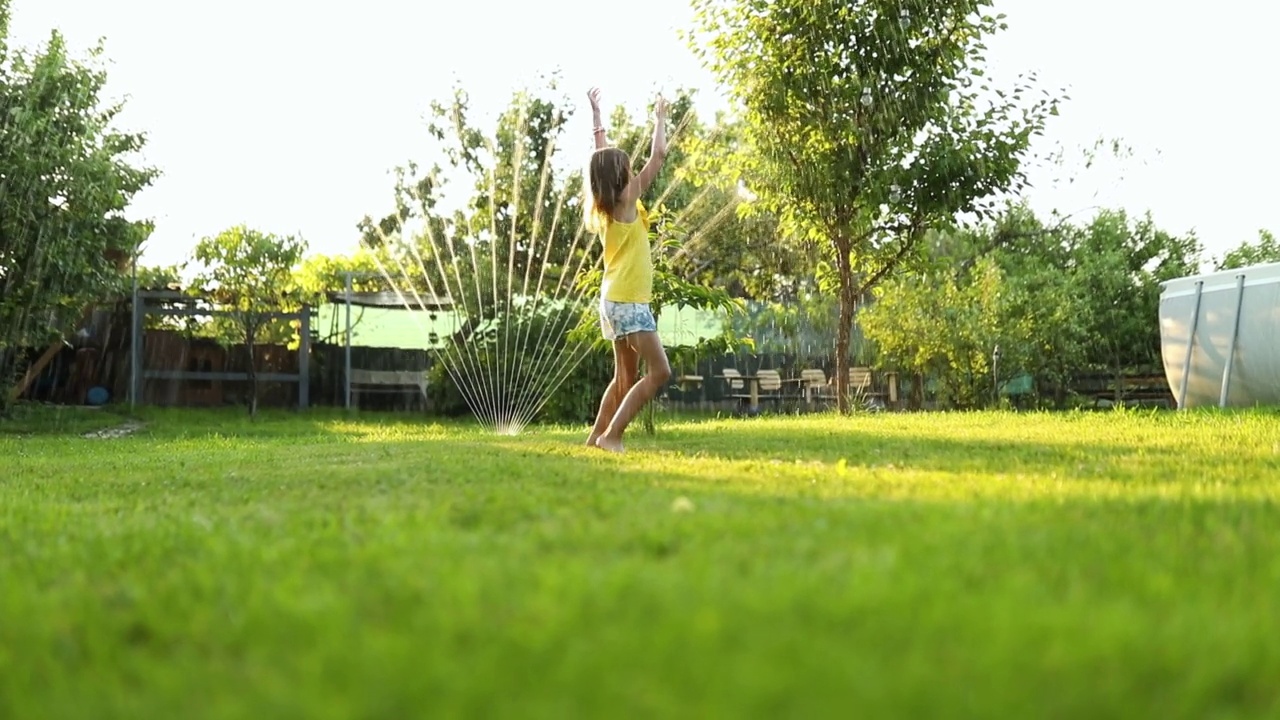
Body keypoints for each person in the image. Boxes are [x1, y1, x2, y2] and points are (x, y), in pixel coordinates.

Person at [583, 87, 672, 453]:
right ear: (620, 175)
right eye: (626, 166)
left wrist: (597, 117)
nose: (632, 169)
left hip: (613, 299)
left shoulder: (604, 205)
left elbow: (598, 157)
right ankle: (612, 436)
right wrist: (660, 119)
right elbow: (659, 154)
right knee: (660, 372)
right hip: (631, 301)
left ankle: (593, 439)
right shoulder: (627, 200)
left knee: (624, 378)